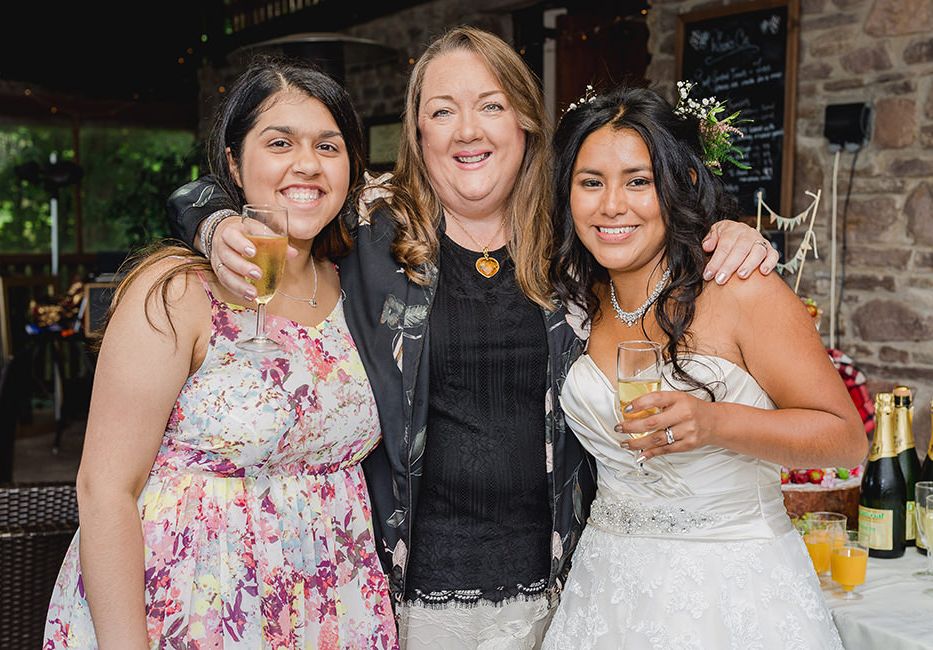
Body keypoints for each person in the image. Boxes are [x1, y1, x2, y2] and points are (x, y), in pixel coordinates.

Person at [166, 27, 779, 649]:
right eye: (442, 111)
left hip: (561, 587)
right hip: (405, 591)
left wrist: (728, 233)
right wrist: (214, 223)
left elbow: (654, 219)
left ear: (525, 123)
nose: (467, 130)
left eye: (491, 105)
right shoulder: (369, 227)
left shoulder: (575, 237)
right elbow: (246, 189)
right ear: (418, 133)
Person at [44, 58, 398, 649]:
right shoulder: (177, 290)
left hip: (330, 600)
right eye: (279, 142)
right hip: (191, 603)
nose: (307, 164)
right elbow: (104, 489)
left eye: (328, 146)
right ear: (234, 162)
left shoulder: (357, 286)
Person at [540, 83, 867, 649]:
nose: (612, 205)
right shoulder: (574, 300)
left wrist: (716, 424)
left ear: (681, 184)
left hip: (734, 589)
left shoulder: (742, 287)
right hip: (607, 587)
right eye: (590, 183)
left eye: (638, 181)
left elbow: (845, 440)